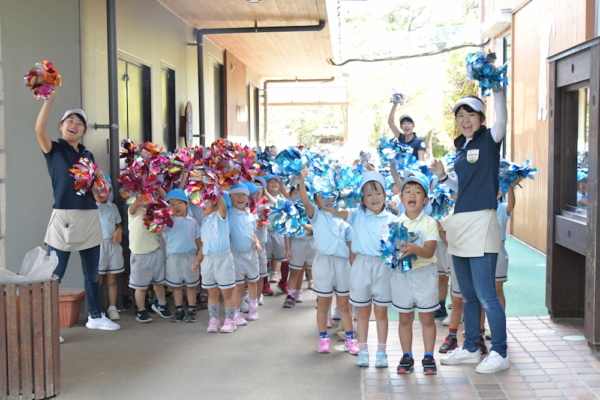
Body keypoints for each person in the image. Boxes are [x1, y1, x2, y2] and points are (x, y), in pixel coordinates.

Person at [430, 86, 510, 374]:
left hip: (482, 222)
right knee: (467, 294)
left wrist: (498, 87)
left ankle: (500, 352)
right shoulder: (461, 149)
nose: (465, 120)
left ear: (481, 117)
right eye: (460, 115)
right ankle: (471, 347)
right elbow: (461, 187)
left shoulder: (490, 139)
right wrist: (442, 177)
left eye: (470, 114)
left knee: (487, 293)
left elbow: (502, 120)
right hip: (460, 224)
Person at [36, 91, 120, 332]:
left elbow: (97, 194)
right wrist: (49, 99)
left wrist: (101, 183)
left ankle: (95, 316)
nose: (74, 125)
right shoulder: (53, 149)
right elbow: (39, 130)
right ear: (61, 126)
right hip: (64, 217)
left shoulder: (87, 155)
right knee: (55, 275)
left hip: (89, 215)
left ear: (84, 131)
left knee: (91, 272)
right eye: (69, 121)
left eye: (79, 123)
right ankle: (48, 328)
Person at [320, 171, 396, 368]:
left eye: (378, 192)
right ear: (361, 197)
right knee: (362, 312)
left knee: (381, 312)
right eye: (368, 194)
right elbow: (334, 211)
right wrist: (331, 197)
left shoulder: (392, 219)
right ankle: (363, 350)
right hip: (361, 265)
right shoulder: (355, 215)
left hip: (383, 266)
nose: (374, 198)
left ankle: (381, 351)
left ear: (385, 195)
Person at [298, 169, 357, 354]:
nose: (326, 199)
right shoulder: (315, 214)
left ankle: (350, 339)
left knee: (344, 305)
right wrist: (301, 179)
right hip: (323, 263)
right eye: (321, 195)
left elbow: (350, 246)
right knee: (323, 304)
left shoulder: (342, 216)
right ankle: (323, 338)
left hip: (342, 264)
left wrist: (353, 266)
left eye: (329, 195)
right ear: (315, 198)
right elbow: (304, 200)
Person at [391, 173, 440, 375]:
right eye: (408, 191)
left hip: (425, 275)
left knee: (427, 319)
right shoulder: (394, 224)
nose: (413, 195)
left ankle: (428, 356)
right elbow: (390, 253)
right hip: (402, 277)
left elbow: (429, 251)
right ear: (401, 198)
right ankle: (407, 356)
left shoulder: (430, 222)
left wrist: (413, 248)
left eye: (418, 192)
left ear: (425, 200)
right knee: (404, 319)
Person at [195, 195, 238, 333]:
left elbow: (222, 205)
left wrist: (216, 189)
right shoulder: (204, 221)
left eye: (207, 202)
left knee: (227, 293)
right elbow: (203, 244)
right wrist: (198, 259)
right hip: (208, 260)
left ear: (215, 206)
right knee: (212, 292)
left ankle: (230, 320)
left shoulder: (220, 217)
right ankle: (213, 320)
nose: (203, 204)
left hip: (223, 259)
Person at [128, 197, 172, 323]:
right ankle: (141, 310)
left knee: (159, 283)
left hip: (155, 252)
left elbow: (161, 227)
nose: (145, 200)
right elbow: (132, 207)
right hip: (139, 254)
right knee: (140, 287)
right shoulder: (134, 212)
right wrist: (138, 196)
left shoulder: (155, 212)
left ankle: (161, 304)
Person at [163, 189, 202, 323]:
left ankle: (192, 309)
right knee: (176, 286)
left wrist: (198, 258)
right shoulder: (167, 222)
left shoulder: (193, 222)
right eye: (172, 204)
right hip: (173, 258)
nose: (176, 206)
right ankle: (179, 310)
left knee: (190, 286)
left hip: (190, 257)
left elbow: (199, 242)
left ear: (187, 205)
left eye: (180, 202)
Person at [227, 184, 262, 324]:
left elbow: (253, 233)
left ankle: (254, 308)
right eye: (236, 194)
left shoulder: (251, 215)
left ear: (248, 198)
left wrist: (257, 243)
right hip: (235, 254)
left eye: (243, 195)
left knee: (252, 281)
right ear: (230, 197)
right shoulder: (228, 214)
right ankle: (236, 312)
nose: (240, 198)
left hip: (251, 253)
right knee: (238, 285)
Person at [94, 174, 124, 321]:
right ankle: (97, 308)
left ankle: (112, 307)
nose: (100, 193)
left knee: (112, 278)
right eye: (96, 189)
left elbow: (118, 224)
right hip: (98, 245)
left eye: (104, 189)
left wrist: (119, 231)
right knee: (97, 278)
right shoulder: (90, 208)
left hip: (113, 245)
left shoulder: (113, 207)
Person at [282, 185, 316, 308]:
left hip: (312, 243)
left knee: (315, 271)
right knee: (295, 271)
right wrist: (287, 248)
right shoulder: (290, 211)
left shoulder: (313, 208)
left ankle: (320, 297)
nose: (298, 195)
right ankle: (291, 296)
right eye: (295, 192)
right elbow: (287, 231)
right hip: (297, 243)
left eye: (301, 192)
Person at [263, 174, 290, 293]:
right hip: (265, 232)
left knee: (285, 258)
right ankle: (265, 284)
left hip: (280, 233)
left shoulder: (283, 199)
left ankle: (283, 281)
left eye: (276, 181)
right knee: (265, 260)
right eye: (270, 182)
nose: (274, 183)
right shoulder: (261, 198)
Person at [252, 177, 271, 301]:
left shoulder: (266, 204)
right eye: (254, 187)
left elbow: (276, 205)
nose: (257, 190)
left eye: (260, 187)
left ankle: (258, 296)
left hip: (261, 243)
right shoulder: (245, 204)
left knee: (260, 272)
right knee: (247, 274)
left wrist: (267, 193)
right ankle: (246, 296)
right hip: (246, 244)